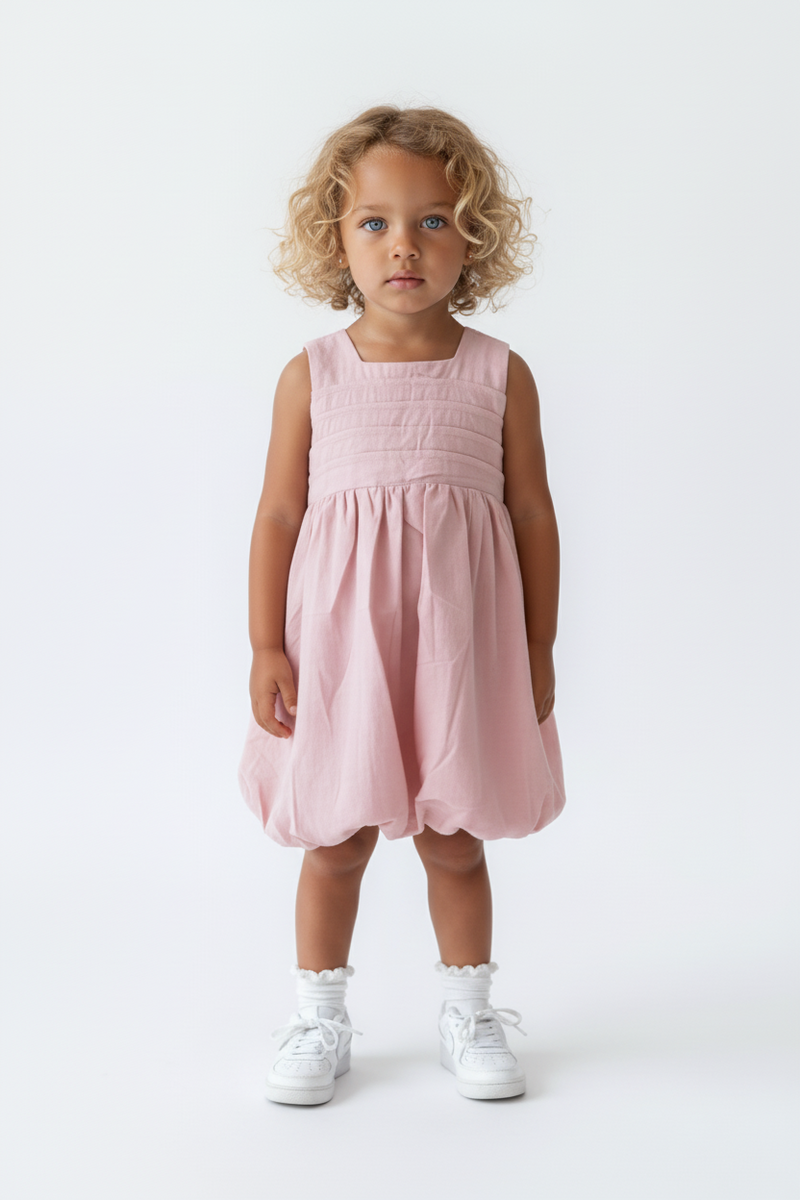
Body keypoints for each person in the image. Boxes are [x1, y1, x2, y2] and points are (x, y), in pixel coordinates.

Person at [238, 104, 567, 1106]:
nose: (404, 246)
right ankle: (318, 1015)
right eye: (375, 222)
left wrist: (539, 645)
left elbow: (531, 513)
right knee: (335, 840)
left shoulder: (499, 374)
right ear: (335, 238)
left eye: (434, 221)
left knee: (453, 840)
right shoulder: (313, 374)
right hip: (343, 651)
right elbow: (278, 515)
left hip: (459, 649)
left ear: (474, 235)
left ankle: (469, 1010)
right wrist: (264, 645)